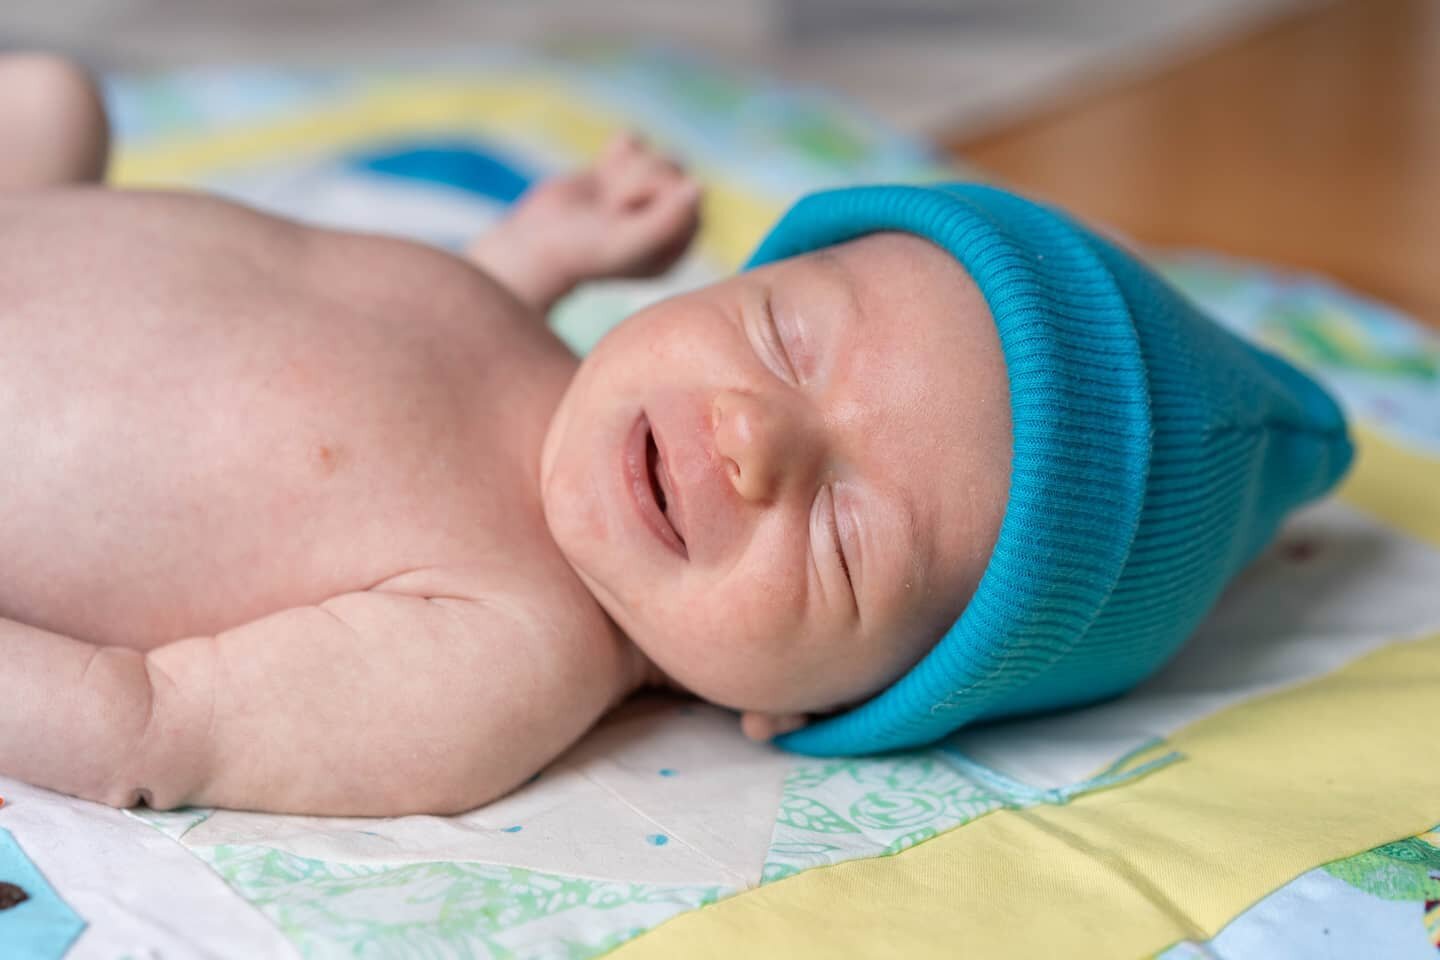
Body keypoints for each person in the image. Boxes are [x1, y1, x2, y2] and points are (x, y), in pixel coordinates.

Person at [0, 53, 1352, 817]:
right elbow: (382, 365)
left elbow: (149, 731)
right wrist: (529, 257)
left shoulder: (510, 650)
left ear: (813, 710)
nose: (754, 441)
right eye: (784, 336)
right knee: (56, 97)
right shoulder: (544, 358)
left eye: (842, 533)